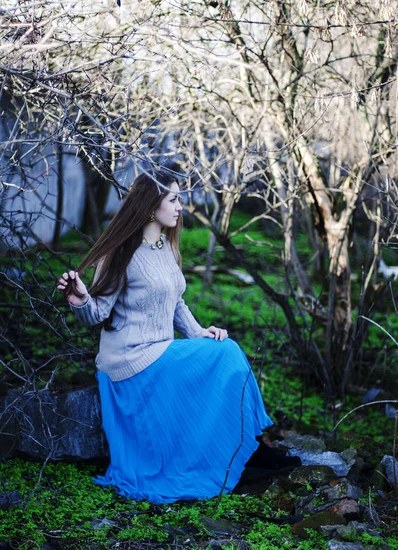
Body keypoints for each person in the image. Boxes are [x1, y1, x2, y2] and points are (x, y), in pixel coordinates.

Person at [57, 168, 300, 504]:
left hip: (160, 351)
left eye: (179, 199)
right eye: (173, 199)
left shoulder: (164, 247)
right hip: (130, 361)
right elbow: (97, 313)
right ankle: (247, 449)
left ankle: (245, 447)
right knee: (226, 357)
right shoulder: (120, 252)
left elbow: (176, 302)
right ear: (150, 204)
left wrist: (199, 332)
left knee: (224, 348)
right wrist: (81, 300)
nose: (180, 207)